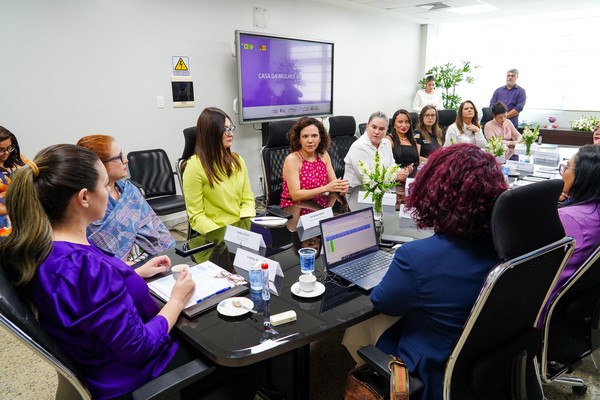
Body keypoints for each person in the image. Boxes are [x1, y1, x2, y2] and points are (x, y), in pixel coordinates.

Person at [0, 144, 262, 400]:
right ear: (83, 197)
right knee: (246, 353)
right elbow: (140, 347)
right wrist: (177, 300)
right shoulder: (84, 267)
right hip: (134, 375)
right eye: (105, 185)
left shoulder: (47, 249)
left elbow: (83, 302)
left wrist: (133, 275)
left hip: (96, 363)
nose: (111, 191)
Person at [369, 144, 507, 400]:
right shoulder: (507, 247)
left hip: (431, 372)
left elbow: (382, 301)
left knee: (368, 325)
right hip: (488, 365)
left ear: (433, 193)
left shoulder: (417, 257)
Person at [77, 135, 175, 263]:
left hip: (154, 256)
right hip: (119, 271)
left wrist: (173, 252)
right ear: (100, 165)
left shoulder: (129, 190)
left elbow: (155, 224)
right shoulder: (90, 203)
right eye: (119, 157)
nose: (126, 160)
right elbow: (99, 258)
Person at [541, 145, 600, 326]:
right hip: (573, 307)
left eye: (566, 167)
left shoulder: (569, 219)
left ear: (584, 175)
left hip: (542, 306)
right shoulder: (591, 212)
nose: (562, 174)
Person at [183, 107, 255, 235]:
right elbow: (196, 216)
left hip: (241, 231)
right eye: (225, 129)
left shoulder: (238, 161)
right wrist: (224, 234)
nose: (231, 134)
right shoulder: (194, 167)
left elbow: (248, 199)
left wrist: (245, 225)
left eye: (231, 128)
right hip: (215, 235)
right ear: (211, 133)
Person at [280, 117, 348, 218]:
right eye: (305, 136)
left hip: (319, 208)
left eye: (314, 136)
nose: (310, 140)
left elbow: (333, 184)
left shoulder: (323, 155)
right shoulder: (292, 159)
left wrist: (341, 188)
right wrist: (326, 188)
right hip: (295, 209)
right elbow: (295, 195)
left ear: (320, 138)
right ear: (299, 139)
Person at [344, 111, 411, 195]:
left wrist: (401, 171)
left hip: (382, 190)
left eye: (381, 129)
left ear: (387, 130)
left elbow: (391, 165)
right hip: (358, 193)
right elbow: (367, 179)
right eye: (374, 127)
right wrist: (394, 176)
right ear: (367, 126)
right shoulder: (358, 147)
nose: (377, 132)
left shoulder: (386, 143)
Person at [0, 126, 29, 239]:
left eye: (9, 147)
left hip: (26, 216)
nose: (6, 153)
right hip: (4, 223)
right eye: (1, 149)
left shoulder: (20, 160)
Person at [385, 109, 420, 176]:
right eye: (400, 122)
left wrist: (411, 168)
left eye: (407, 122)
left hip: (413, 176)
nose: (404, 125)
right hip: (396, 177)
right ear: (394, 125)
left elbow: (417, 162)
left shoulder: (413, 140)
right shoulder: (389, 140)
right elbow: (386, 164)